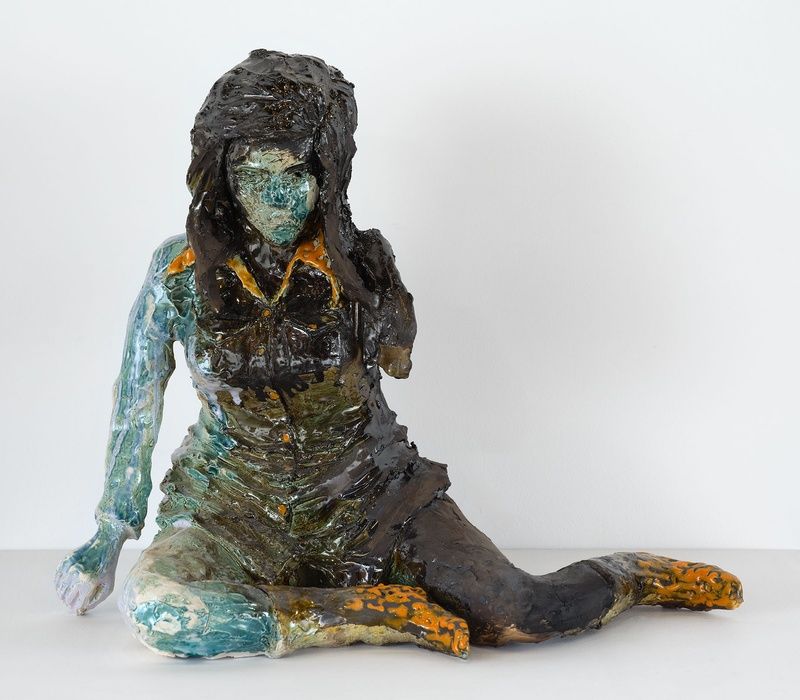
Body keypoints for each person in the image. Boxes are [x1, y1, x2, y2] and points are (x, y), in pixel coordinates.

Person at [55, 50, 742, 659]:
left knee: (520, 614)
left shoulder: (362, 264)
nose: (273, 200)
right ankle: (355, 616)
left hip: (372, 501)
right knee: (158, 611)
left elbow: (398, 358)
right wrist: (110, 534)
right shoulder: (177, 273)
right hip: (228, 512)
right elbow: (136, 401)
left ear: (329, 173)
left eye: (294, 173)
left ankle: (631, 576)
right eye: (251, 174)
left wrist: (370, 289)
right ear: (221, 174)